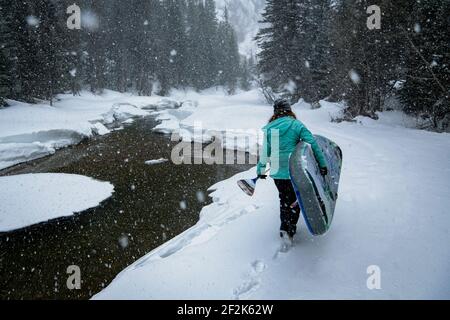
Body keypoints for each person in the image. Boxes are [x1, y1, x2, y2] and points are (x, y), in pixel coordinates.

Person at [257, 99, 328, 244]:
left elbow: (265, 152)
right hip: (295, 170)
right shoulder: (296, 125)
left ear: (275, 112)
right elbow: (312, 143)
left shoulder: (270, 128)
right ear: (289, 110)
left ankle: (285, 228)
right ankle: (290, 228)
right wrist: (322, 164)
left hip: (277, 171)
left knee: (284, 199)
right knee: (297, 199)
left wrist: (261, 170)